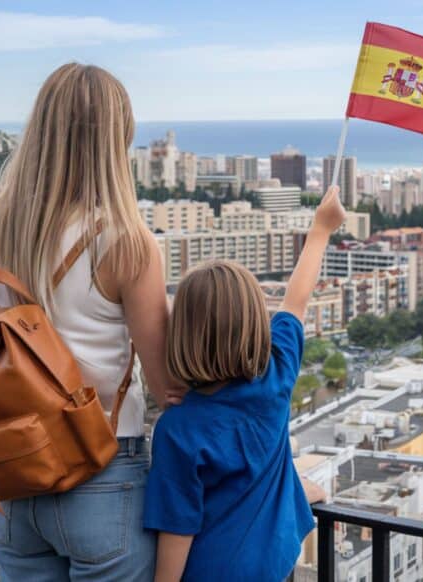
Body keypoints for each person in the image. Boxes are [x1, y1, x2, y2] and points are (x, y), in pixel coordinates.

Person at [0, 63, 181, 581]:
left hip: (18, 473)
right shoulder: (128, 242)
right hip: (102, 471)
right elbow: (166, 388)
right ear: (115, 141)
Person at [143, 186, 345, 581]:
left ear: (182, 333)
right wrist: (321, 229)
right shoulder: (277, 374)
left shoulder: (178, 429)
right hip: (272, 567)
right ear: (255, 321)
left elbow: (178, 527)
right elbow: (296, 300)